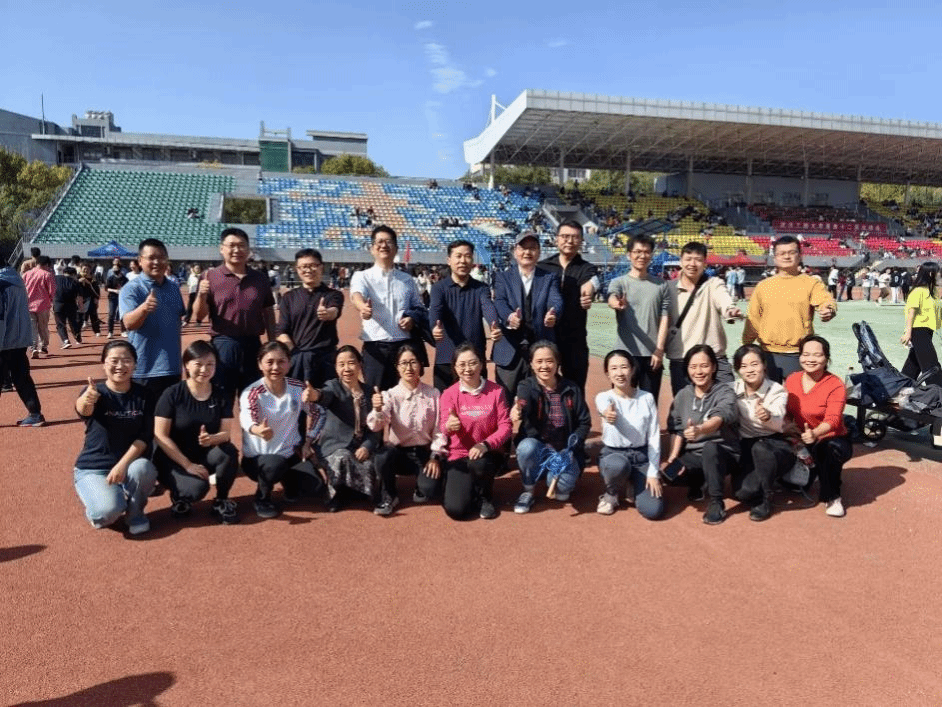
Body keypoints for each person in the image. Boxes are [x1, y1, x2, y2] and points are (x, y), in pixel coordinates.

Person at [72, 340, 157, 535]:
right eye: (114, 360)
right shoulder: (95, 392)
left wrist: (122, 465)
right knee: (107, 512)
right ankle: (104, 504)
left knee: (144, 468)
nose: (120, 366)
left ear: (135, 364)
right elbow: (84, 410)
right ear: (104, 364)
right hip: (93, 468)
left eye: (126, 360)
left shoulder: (145, 395)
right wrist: (87, 399)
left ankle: (135, 515)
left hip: (128, 465)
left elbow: (145, 437)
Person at [153, 340, 240, 524]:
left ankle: (221, 500)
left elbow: (225, 434)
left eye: (210, 364)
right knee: (196, 489)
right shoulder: (172, 394)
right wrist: (187, 464)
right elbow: (160, 435)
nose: (204, 369)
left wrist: (212, 439)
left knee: (229, 452)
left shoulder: (220, 394)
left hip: (204, 456)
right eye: (198, 364)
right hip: (173, 459)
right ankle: (180, 496)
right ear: (186, 365)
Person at [239, 341, 321, 519]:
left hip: (290, 454)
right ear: (260, 364)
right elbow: (247, 418)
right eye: (269, 362)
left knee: (314, 486)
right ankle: (262, 498)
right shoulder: (252, 392)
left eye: (281, 361)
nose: (275, 367)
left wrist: (309, 442)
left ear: (289, 364)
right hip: (260, 459)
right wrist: (257, 430)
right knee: (274, 464)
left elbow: (318, 413)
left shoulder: (298, 387)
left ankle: (289, 484)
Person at [193, 228, 277, 402]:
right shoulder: (210, 276)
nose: (237, 250)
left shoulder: (260, 278)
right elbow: (199, 315)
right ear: (221, 248)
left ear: (248, 249)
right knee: (221, 399)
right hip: (223, 345)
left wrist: (272, 343)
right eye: (231, 245)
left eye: (241, 245)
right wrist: (201, 295)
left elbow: (268, 312)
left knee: (253, 401)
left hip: (253, 345)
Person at [742, 235, 836, 383]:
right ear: (775, 258)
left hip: (799, 354)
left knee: (797, 396)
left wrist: (827, 309)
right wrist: (746, 344)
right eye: (782, 253)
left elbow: (825, 300)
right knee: (767, 396)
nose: (787, 256)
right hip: (767, 353)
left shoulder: (811, 283)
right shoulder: (763, 286)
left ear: (800, 256)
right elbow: (753, 318)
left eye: (792, 252)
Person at [511, 341, 591, 514]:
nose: (544, 366)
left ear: (557, 363)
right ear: (531, 364)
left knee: (562, 492)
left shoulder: (572, 388)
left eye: (549, 361)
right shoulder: (526, 386)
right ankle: (528, 490)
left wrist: (571, 448)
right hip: (540, 449)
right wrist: (517, 409)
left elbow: (584, 422)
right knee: (526, 447)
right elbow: (522, 401)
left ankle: (556, 477)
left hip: (565, 451)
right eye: (539, 361)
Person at [367, 344, 447, 514]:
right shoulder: (389, 395)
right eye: (403, 363)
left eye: (413, 362)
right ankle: (389, 494)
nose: (408, 368)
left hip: (424, 453)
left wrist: (435, 456)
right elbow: (375, 426)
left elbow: (439, 428)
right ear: (397, 367)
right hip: (398, 454)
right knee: (382, 457)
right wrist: (378, 409)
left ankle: (421, 485)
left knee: (431, 491)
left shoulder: (433, 394)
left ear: (421, 365)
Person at [665, 344, 739, 525]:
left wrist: (700, 430)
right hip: (695, 454)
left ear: (713, 367)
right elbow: (677, 429)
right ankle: (698, 481)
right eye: (693, 366)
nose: (698, 371)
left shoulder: (725, 392)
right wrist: (673, 458)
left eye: (704, 366)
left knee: (710, 448)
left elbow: (719, 418)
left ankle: (716, 502)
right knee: (668, 475)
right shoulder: (683, 395)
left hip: (723, 452)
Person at [437, 343, 512, 520]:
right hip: (459, 455)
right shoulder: (449, 394)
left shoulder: (496, 391)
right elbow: (442, 427)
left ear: (481, 364)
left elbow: (506, 426)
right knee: (456, 510)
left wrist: (485, 444)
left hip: (487, 454)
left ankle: (485, 496)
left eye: (472, 363)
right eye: (462, 364)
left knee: (479, 464)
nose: (467, 369)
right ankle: (469, 488)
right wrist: (449, 426)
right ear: (455, 368)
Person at [305, 345, 382, 512]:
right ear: (336, 368)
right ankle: (335, 496)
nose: (346, 368)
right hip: (336, 445)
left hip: (359, 444)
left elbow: (375, 428)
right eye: (341, 364)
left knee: (372, 463)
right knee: (343, 457)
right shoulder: (333, 386)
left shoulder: (369, 392)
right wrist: (314, 395)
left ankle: (356, 492)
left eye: (351, 363)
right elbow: (324, 395)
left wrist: (366, 446)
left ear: (360, 365)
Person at [349, 226, 426, 391]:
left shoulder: (407, 280)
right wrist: (363, 307)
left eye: (389, 242)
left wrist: (412, 319)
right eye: (379, 242)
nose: (384, 245)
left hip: (404, 346)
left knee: (407, 392)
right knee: (376, 395)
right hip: (375, 347)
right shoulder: (362, 276)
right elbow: (356, 295)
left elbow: (418, 307)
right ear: (372, 249)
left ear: (396, 249)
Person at [492, 232, 563, 405]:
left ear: (539, 252)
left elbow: (556, 299)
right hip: (509, 348)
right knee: (505, 400)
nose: (527, 252)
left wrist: (553, 313)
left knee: (541, 399)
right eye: (523, 248)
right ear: (515, 251)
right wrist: (509, 317)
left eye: (532, 248)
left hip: (540, 347)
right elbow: (499, 301)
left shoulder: (549, 277)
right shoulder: (502, 277)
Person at [785, 335, 851, 517]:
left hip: (831, 438)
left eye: (817, 355)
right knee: (791, 484)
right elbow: (786, 413)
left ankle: (833, 496)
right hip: (800, 439)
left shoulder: (835, 384)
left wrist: (814, 434)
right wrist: (788, 429)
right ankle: (812, 470)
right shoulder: (791, 379)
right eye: (805, 354)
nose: (810, 359)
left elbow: (833, 420)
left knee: (828, 451)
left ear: (826, 358)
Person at [594, 350, 663, 519]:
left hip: (641, 458)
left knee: (653, 510)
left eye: (624, 367)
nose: (619, 373)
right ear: (607, 374)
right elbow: (604, 408)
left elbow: (654, 436)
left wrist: (653, 473)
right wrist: (607, 414)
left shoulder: (647, 398)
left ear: (632, 370)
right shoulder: (604, 397)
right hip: (614, 455)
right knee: (617, 465)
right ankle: (611, 493)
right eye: (614, 368)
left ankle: (634, 481)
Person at [666, 241, 741, 394]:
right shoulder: (668, 289)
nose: (692, 264)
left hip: (714, 358)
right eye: (688, 259)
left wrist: (730, 310)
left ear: (705, 263)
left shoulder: (714, 284)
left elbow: (723, 299)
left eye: (698, 260)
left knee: (728, 399)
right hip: (682, 359)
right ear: (680, 261)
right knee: (686, 405)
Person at [730, 344, 794, 522]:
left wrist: (767, 416)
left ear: (764, 365)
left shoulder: (776, 390)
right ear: (738, 370)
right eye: (743, 366)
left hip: (774, 443)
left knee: (761, 449)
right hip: (747, 445)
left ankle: (767, 498)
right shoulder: (732, 389)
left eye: (754, 364)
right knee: (742, 493)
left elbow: (778, 419)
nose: (749, 370)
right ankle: (768, 477)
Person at [428, 239, 501, 391]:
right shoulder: (439, 288)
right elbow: (435, 309)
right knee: (445, 402)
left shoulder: (481, 288)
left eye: (467, 256)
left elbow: (487, 306)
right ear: (449, 260)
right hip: (446, 357)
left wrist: (494, 324)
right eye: (458, 256)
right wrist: (434, 326)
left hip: (475, 359)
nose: (463, 261)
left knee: (479, 400)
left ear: (472, 260)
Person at [119, 238, 186, 401]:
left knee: (170, 415)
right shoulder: (131, 289)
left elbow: (179, 318)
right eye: (151, 258)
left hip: (172, 368)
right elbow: (128, 323)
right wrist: (144, 308)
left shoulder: (173, 288)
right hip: (144, 371)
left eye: (161, 257)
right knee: (145, 416)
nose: (157, 262)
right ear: (140, 261)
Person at [537, 220, 599, 394]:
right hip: (546, 338)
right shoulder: (542, 267)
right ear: (556, 239)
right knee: (544, 388)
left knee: (575, 389)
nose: (569, 241)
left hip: (575, 339)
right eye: (565, 236)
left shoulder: (587, 268)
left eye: (575, 237)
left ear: (581, 241)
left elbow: (591, 282)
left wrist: (588, 293)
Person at [607, 234, 670, 401]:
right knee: (622, 402)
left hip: (652, 355)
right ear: (629, 254)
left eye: (647, 252)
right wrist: (616, 303)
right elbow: (612, 296)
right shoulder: (619, 282)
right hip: (624, 355)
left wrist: (659, 350)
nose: (642, 256)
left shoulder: (661, 285)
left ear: (651, 255)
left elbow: (664, 318)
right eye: (637, 252)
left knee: (650, 402)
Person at [276, 248, 344, 388]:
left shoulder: (333, 295)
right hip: (297, 357)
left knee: (327, 398)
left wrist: (327, 313)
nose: (308, 270)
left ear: (321, 267)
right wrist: (293, 352)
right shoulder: (289, 297)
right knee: (296, 398)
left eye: (313, 265)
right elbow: (282, 330)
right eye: (304, 266)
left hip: (326, 359)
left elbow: (334, 310)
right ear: (297, 269)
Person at [0, 264, 45, 426]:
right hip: (19, 338)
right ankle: (35, 414)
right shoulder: (16, 279)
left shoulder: (2, 283)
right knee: (22, 377)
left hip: (4, 340)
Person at [900, 262, 942, 386]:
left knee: (913, 364)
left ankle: (902, 387)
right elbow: (911, 313)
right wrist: (908, 333)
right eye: (937, 271)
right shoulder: (918, 291)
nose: (939, 274)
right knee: (931, 363)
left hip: (928, 330)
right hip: (918, 330)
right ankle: (937, 389)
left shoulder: (932, 290)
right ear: (930, 273)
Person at [22, 255, 56, 357]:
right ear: (47, 264)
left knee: (32, 328)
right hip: (43, 305)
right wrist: (51, 301)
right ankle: (44, 346)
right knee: (43, 327)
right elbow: (52, 291)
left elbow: (22, 288)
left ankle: (33, 347)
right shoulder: (47, 275)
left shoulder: (26, 274)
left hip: (28, 305)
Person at [53, 266, 83, 349]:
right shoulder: (75, 282)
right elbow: (80, 297)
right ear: (73, 274)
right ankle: (77, 337)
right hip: (71, 305)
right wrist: (81, 307)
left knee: (60, 323)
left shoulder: (56, 278)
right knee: (73, 322)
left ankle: (65, 340)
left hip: (58, 304)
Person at [105, 258, 128, 338]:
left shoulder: (124, 278)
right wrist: (114, 291)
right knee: (111, 314)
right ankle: (110, 332)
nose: (115, 270)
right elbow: (106, 288)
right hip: (112, 297)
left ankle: (123, 331)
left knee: (122, 314)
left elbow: (127, 287)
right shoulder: (110, 278)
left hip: (122, 298)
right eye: (114, 269)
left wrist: (123, 291)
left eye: (117, 269)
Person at [78, 263, 102, 338]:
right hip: (81, 299)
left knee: (94, 315)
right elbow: (73, 286)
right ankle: (78, 333)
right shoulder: (78, 277)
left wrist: (97, 298)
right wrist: (79, 281)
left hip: (91, 298)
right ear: (81, 269)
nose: (86, 270)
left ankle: (97, 331)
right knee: (79, 317)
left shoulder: (93, 278)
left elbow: (96, 290)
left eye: (88, 269)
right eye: (84, 269)